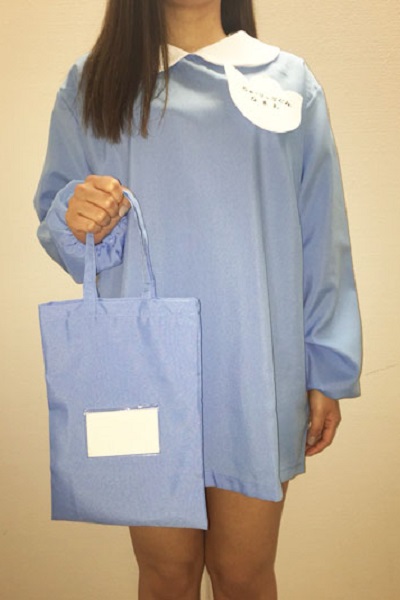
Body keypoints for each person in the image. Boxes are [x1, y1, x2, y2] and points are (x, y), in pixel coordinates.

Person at [34, 1, 363, 598]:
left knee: (244, 576)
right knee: (166, 576)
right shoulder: (94, 85)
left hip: (255, 368)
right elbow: (63, 223)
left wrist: (328, 367)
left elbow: (323, 235)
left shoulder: (287, 82)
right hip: (140, 374)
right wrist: (75, 214)